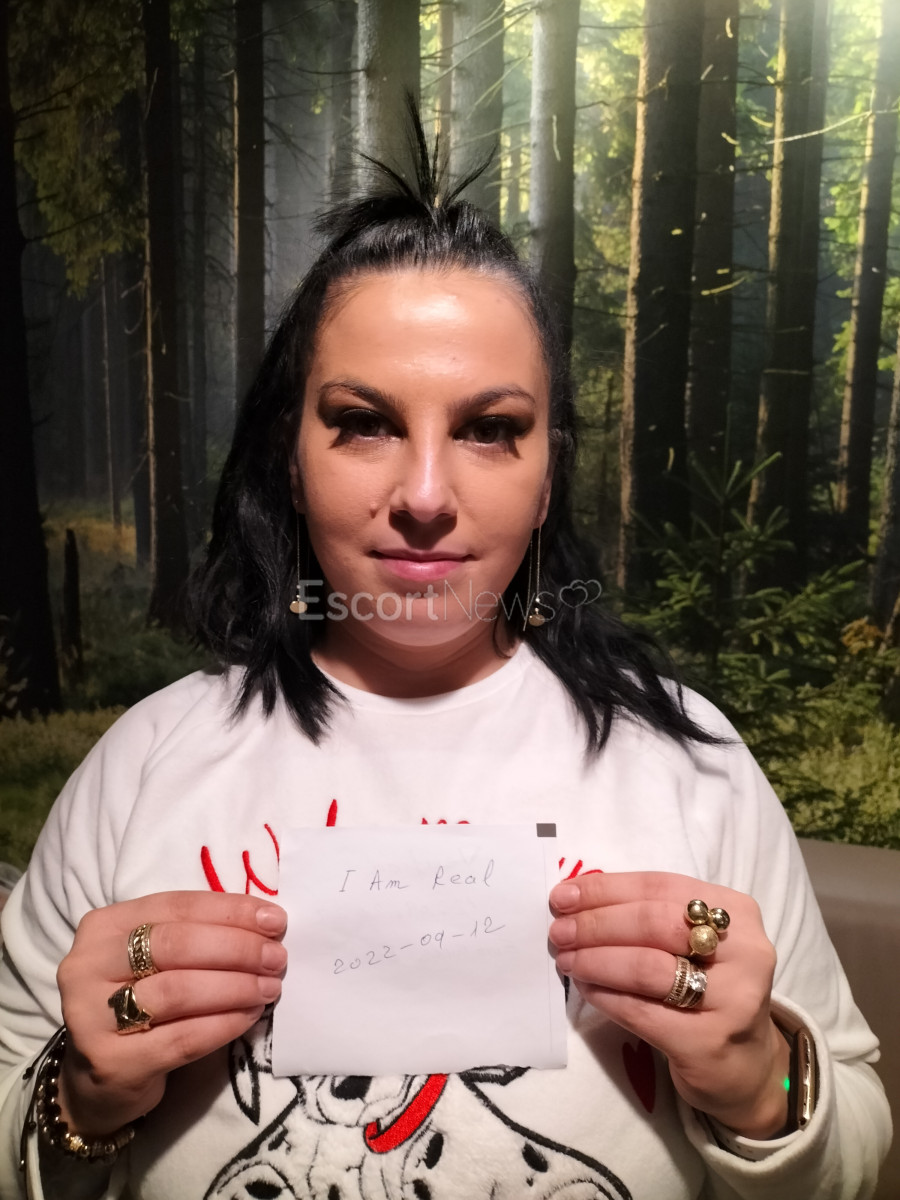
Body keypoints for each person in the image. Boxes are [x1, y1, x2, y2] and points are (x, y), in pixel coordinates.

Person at [0, 124, 891, 1200]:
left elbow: (855, 1145)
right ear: (293, 460)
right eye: (365, 422)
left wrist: (762, 1082)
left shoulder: (690, 759)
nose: (425, 496)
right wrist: (80, 1099)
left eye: (489, 429)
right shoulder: (145, 761)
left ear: (548, 477)